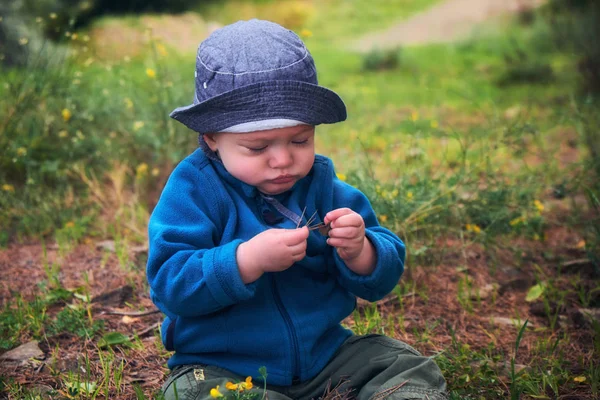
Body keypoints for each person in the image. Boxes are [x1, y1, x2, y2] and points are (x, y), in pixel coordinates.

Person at [147, 19, 447, 400]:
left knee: (405, 366)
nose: (283, 160)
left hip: (325, 358)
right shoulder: (194, 189)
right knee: (192, 394)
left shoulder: (322, 186)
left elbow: (383, 276)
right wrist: (244, 260)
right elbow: (169, 282)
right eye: (259, 148)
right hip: (221, 367)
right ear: (211, 138)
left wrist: (361, 250)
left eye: (300, 139)